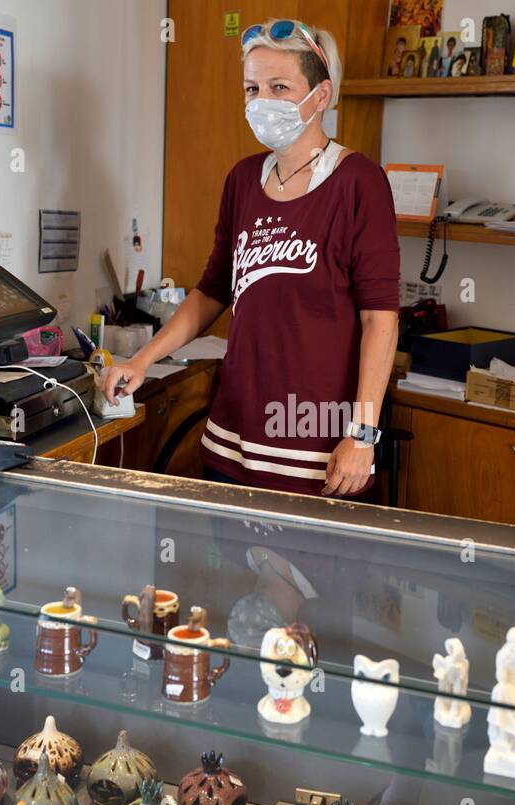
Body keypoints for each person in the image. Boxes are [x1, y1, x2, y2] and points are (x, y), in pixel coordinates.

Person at [104, 19, 400, 498]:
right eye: (252, 88)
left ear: (321, 96)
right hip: (233, 435)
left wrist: (363, 435)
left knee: (313, 571)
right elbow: (212, 290)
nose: (262, 101)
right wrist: (143, 360)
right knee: (230, 569)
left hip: (316, 442)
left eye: (279, 87)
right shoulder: (243, 180)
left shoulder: (358, 183)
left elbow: (380, 318)